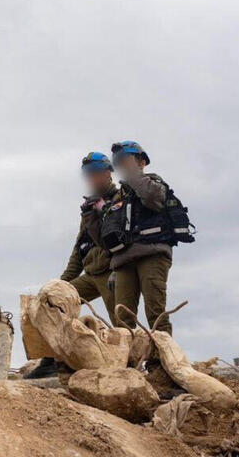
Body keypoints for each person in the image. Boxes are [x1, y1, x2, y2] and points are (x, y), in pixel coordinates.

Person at [28, 152, 119, 380]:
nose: (92, 178)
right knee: (52, 303)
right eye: (89, 175)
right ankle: (51, 360)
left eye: (97, 173)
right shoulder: (89, 206)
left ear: (108, 173)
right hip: (90, 274)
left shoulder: (121, 199)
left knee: (121, 323)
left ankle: (126, 368)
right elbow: (80, 246)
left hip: (113, 270)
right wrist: (63, 283)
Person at [103, 141, 191, 336]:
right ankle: (125, 363)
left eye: (126, 160)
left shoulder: (154, 183)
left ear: (141, 162)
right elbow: (109, 235)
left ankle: (162, 361)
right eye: (120, 163)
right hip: (123, 261)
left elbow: (152, 198)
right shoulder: (120, 197)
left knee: (155, 313)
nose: (122, 165)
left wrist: (133, 173)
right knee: (122, 319)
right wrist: (112, 268)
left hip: (152, 253)